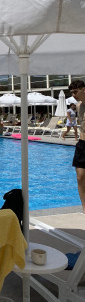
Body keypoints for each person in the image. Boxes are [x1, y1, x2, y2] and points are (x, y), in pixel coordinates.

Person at [68, 79, 85, 212]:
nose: (74, 95)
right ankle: (84, 206)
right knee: (80, 177)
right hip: (82, 144)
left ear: (84, 90)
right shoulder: (79, 106)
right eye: (72, 93)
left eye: (75, 92)